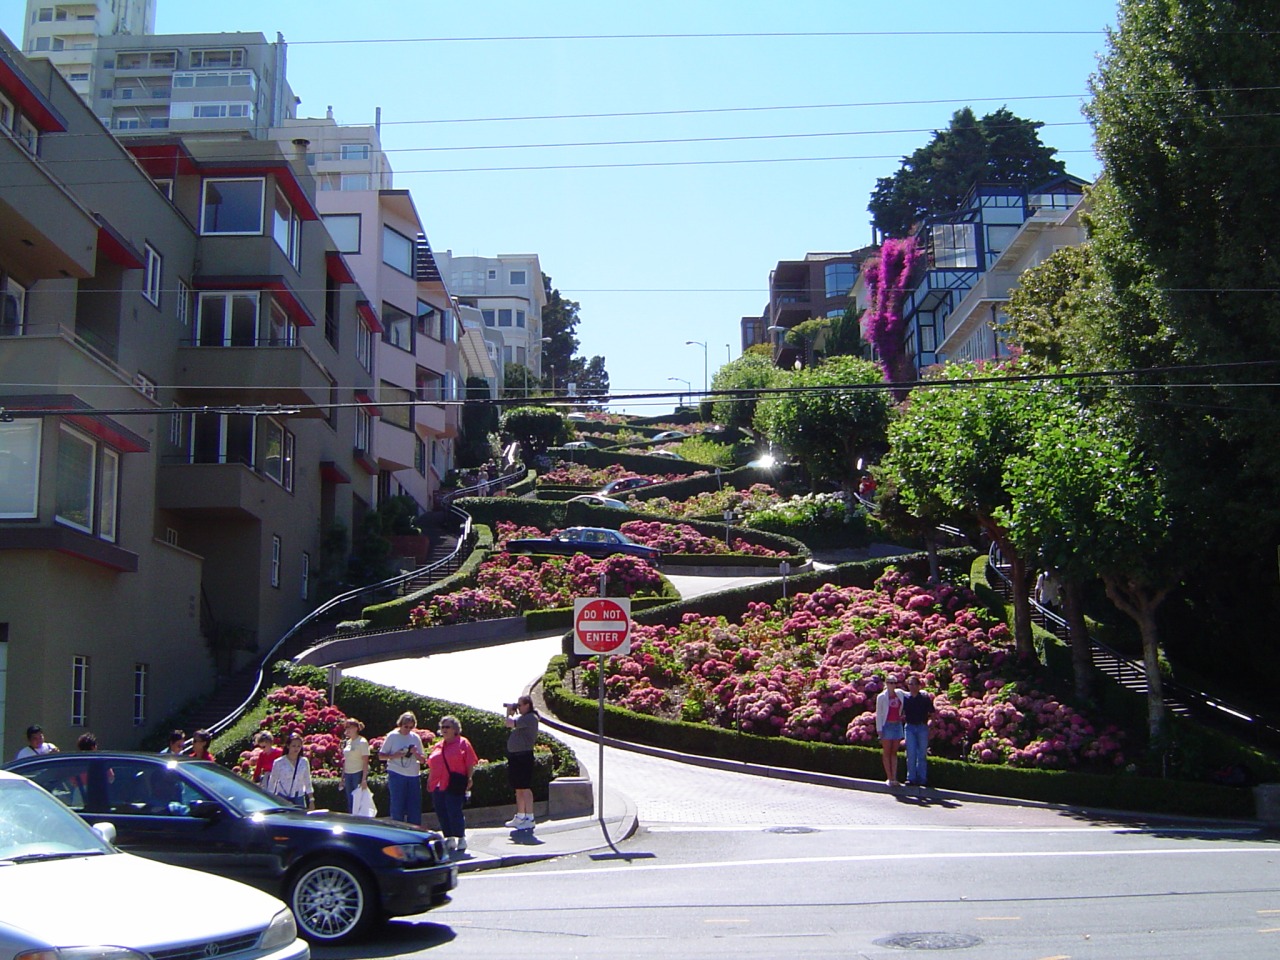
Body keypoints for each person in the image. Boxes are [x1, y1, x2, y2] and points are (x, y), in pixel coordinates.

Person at [427, 715, 478, 855]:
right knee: (441, 811)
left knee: (454, 810)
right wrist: (430, 781)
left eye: (447, 727)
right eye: (442, 727)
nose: (444, 729)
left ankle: (461, 837)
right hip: (437, 784)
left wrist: (469, 778)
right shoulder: (438, 745)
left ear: (455, 729)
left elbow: (469, 762)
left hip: (454, 783)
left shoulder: (463, 743)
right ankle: (449, 837)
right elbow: (432, 764)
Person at [379, 711, 425, 825]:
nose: (408, 729)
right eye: (406, 727)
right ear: (400, 724)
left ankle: (414, 832)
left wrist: (415, 753)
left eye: (411, 727)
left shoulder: (415, 737)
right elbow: (381, 756)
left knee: (414, 807)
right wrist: (395, 755)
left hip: (413, 775)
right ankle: (397, 831)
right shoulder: (392, 736)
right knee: (397, 805)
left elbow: (423, 760)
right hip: (396, 773)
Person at [503, 696, 539, 830]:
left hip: (524, 756)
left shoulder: (530, 718)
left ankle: (530, 817)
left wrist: (509, 712)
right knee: (518, 787)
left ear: (527, 705)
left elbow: (509, 723)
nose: (518, 707)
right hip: (516, 756)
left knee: (525, 787)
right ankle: (520, 816)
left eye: (520, 705)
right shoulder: (523, 718)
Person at [902, 676, 935, 788]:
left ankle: (922, 778)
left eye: (914, 684)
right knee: (911, 753)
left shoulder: (924, 698)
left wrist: (931, 726)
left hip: (922, 727)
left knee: (922, 754)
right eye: (910, 684)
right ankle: (911, 778)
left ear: (919, 686)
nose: (912, 686)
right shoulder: (906, 698)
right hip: (910, 727)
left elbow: (932, 714)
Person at [266, 733, 314, 809]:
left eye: (299, 746)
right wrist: (270, 799)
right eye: (294, 746)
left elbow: (307, 780)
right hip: (282, 796)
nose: (296, 748)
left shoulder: (304, 762)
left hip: (299, 796)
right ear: (288, 746)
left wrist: (311, 800)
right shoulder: (279, 762)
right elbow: (273, 781)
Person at [874, 677, 906, 787]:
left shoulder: (899, 694)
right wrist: (879, 729)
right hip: (886, 725)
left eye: (894, 683)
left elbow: (910, 694)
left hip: (897, 725)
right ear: (886, 683)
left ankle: (894, 777)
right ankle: (889, 777)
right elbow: (879, 714)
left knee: (894, 752)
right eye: (890, 683)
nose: (892, 685)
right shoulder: (882, 697)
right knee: (887, 752)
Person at [340, 719, 371, 813]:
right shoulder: (348, 742)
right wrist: (342, 777)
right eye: (347, 728)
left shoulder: (362, 742)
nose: (348, 730)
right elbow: (346, 760)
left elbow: (365, 761)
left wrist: (364, 779)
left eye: (350, 727)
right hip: (348, 774)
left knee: (357, 800)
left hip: (357, 773)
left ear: (357, 728)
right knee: (350, 799)